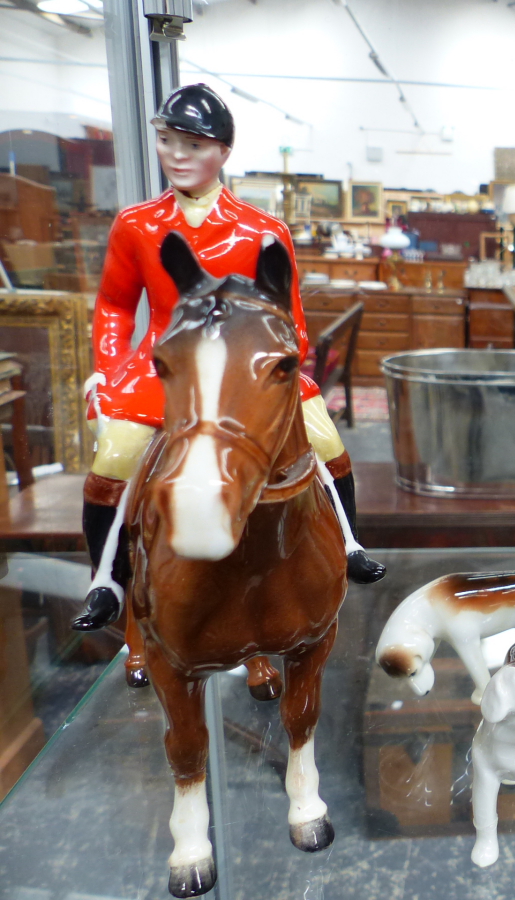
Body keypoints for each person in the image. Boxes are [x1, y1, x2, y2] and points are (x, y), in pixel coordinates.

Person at [73, 83, 385, 633]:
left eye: (191, 145)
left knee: (326, 440)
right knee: (116, 456)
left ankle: (350, 542)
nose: (175, 155)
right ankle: (107, 579)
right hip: (163, 367)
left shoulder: (264, 231)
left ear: (222, 151)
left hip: (247, 368)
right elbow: (116, 305)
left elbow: (290, 318)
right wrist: (108, 365)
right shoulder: (137, 225)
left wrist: (279, 363)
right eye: (167, 141)